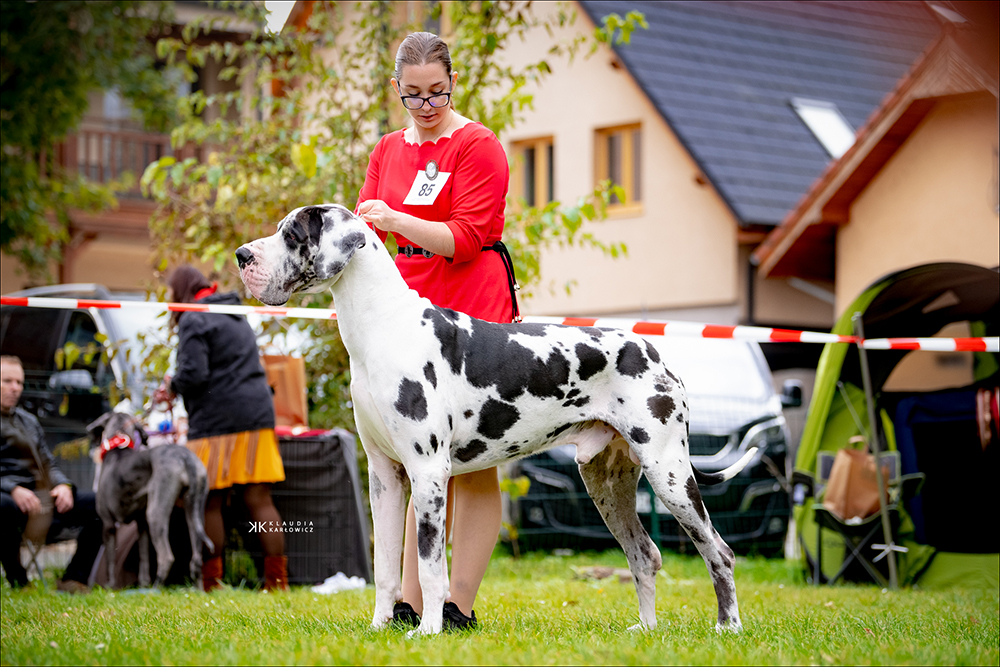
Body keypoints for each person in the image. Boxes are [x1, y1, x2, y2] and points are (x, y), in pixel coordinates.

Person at [356, 31, 518, 630]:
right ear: (396, 88)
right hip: (407, 309)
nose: (426, 105)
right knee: (413, 457)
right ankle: (410, 601)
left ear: (453, 83)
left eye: (437, 92)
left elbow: (466, 239)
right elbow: (365, 233)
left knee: (472, 461)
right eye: (414, 94)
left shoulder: (478, 145)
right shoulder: (386, 150)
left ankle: (458, 604)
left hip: (471, 305)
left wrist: (397, 220)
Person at [154, 266, 289, 591]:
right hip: (256, 414)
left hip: (216, 422)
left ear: (181, 291)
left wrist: (172, 385)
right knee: (259, 499)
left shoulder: (193, 318)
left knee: (209, 501)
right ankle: (277, 582)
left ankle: (211, 583)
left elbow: (194, 373)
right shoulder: (233, 311)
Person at [1, 355, 102, 593]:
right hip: (9, 502)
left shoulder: (28, 421)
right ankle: (19, 581)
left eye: (19, 382)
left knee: (99, 505)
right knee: (3, 506)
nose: (15, 388)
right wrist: (12, 489)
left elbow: (48, 463)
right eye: (7, 381)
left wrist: (63, 485)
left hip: (42, 500)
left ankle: (73, 579)